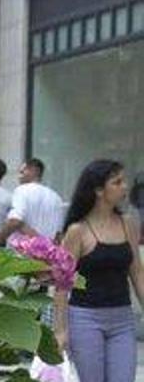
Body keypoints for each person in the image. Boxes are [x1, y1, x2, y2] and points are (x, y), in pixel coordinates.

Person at [53, 160, 144, 382]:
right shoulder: (77, 231)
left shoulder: (129, 224)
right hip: (85, 320)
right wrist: (60, 330)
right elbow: (62, 284)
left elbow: (138, 273)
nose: (124, 187)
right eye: (117, 182)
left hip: (123, 319)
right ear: (99, 190)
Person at [0, 158, 65, 247]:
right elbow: (58, 235)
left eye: (22, 172)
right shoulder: (56, 198)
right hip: (46, 256)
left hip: (21, 255)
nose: (18, 176)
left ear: (34, 172)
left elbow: (15, 221)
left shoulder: (22, 190)